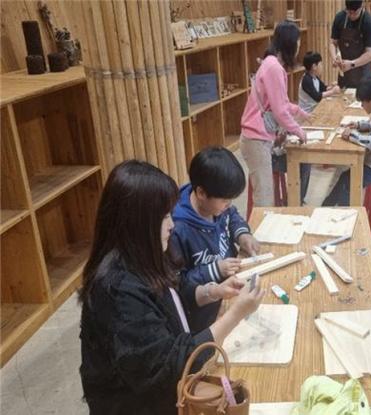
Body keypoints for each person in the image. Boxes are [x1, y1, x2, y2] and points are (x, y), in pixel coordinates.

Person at [79, 160, 265, 415]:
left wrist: (213, 291)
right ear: (138, 223)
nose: (171, 224)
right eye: (164, 216)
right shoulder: (118, 290)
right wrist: (235, 314)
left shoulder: (145, 252)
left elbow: (175, 292)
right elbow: (168, 367)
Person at [170, 147, 260, 331]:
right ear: (201, 193)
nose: (229, 205)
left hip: (232, 288)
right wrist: (214, 270)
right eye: (225, 200)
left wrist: (242, 234)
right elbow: (179, 285)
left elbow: (232, 215)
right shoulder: (177, 230)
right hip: (206, 313)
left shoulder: (217, 206)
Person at [240, 21, 310, 207]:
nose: (298, 47)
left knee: (266, 194)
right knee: (264, 199)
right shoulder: (274, 68)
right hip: (256, 139)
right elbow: (279, 111)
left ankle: (288, 207)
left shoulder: (271, 63)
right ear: (290, 44)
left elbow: (281, 103)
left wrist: (299, 111)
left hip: (258, 137)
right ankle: (263, 227)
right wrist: (298, 131)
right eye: (298, 42)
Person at [322, 76, 371, 206]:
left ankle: (343, 213)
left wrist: (352, 135)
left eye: (363, 102)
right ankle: (326, 207)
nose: (362, 105)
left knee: (348, 181)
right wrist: (359, 125)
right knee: (344, 177)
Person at [329, 0, 371, 88]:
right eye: (349, 12)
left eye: (355, 13)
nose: (352, 16)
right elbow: (333, 42)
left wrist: (352, 64)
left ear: (362, 6)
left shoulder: (368, 22)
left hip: (362, 71)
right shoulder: (340, 17)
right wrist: (334, 58)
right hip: (344, 71)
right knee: (343, 94)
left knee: (361, 94)